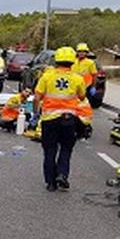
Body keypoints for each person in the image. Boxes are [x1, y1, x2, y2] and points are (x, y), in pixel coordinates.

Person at [31, 46, 86, 192]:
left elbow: (37, 97)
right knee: (66, 149)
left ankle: (50, 183)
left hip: (50, 120)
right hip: (69, 120)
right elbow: (82, 97)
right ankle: (62, 174)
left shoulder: (47, 76)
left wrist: (36, 115)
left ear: (56, 60)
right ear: (72, 61)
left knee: (49, 150)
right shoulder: (77, 78)